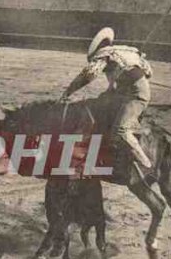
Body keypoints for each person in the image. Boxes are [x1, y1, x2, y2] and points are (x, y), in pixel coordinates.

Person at [61, 27, 155, 176]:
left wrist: (69, 90)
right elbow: (114, 86)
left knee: (121, 130)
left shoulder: (105, 55)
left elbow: (88, 74)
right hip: (124, 94)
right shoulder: (121, 54)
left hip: (136, 96)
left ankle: (146, 163)